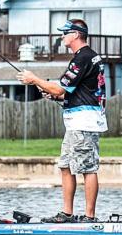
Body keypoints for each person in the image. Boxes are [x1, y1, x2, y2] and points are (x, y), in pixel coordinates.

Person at [16, 19, 107, 223]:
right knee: (66, 166)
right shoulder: (87, 57)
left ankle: (89, 217)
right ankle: (67, 213)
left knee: (87, 168)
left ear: (75, 34)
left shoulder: (83, 58)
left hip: (84, 123)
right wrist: (56, 95)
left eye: (65, 33)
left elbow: (60, 88)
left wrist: (35, 79)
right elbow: (78, 91)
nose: (62, 36)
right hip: (76, 122)